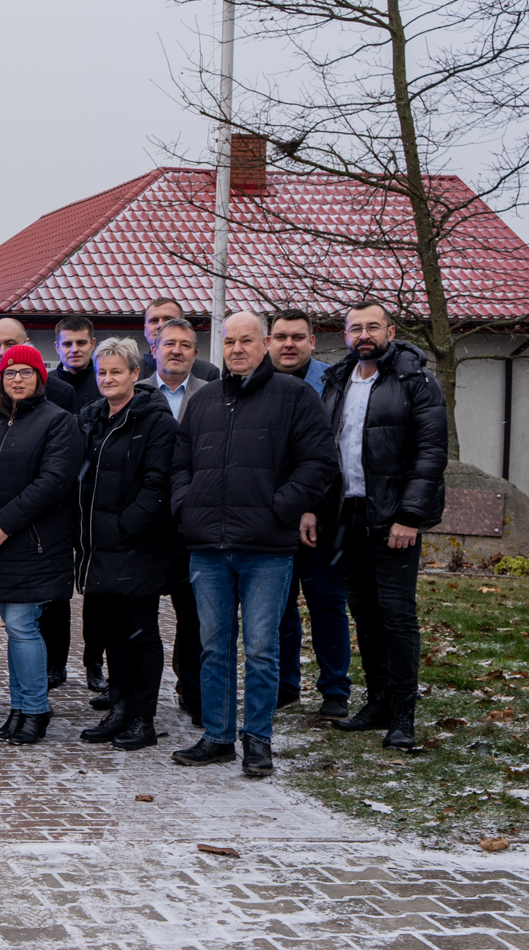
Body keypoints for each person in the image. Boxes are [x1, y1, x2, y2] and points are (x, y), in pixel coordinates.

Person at [170, 311, 335, 778]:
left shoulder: (294, 396)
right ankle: (218, 736)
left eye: (247, 341)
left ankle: (258, 740)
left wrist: (278, 510)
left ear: (264, 345)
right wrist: (185, 507)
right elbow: (180, 464)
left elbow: (320, 464)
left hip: (266, 548)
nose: (237, 349)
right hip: (207, 546)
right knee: (213, 647)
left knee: (261, 649)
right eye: (229, 342)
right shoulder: (203, 401)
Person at [318, 301, 447, 749]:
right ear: (346, 335)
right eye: (355, 328)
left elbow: (430, 453)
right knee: (365, 614)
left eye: (372, 327)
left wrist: (410, 516)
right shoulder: (337, 380)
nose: (364, 335)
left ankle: (403, 716)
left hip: (394, 518)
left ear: (390, 332)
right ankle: (377, 702)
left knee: (397, 616)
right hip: (348, 516)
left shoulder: (415, 380)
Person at [0, 344, 80, 744]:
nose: (18, 379)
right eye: (10, 373)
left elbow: (53, 482)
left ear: (41, 377)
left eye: (27, 372)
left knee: (22, 626)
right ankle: (18, 708)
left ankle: (35, 710)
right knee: (12, 626)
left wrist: (4, 524)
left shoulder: (58, 421)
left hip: (32, 543)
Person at [74, 338, 179, 751]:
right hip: (98, 547)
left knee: (141, 633)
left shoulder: (156, 421)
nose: (108, 379)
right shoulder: (92, 418)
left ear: (136, 373)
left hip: (137, 546)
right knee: (112, 632)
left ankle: (142, 717)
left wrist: (125, 527)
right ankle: (118, 708)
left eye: (116, 371)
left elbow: (159, 484)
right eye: (102, 372)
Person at [269, 308, 352, 720]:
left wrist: (312, 508)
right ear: (268, 342)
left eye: (297, 337)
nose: (289, 344)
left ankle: (335, 688)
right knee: (277, 606)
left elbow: (333, 456)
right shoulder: (254, 383)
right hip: (271, 515)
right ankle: (285, 685)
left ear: (312, 341)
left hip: (325, 515)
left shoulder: (335, 385)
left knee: (326, 601)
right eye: (281, 336)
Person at [134, 317, 208, 726]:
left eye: (184, 344)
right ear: (154, 351)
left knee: (194, 616)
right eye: (168, 344)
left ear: (195, 353)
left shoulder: (211, 395)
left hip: (191, 523)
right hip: (144, 523)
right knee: (135, 617)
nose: (176, 350)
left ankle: (193, 693)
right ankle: (130, 694)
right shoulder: (134, 392)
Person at [51, 315, 108, 693]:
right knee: (56, 587)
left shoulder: (104, 381)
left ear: (92, 344)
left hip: (95, 498)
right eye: (68, 344)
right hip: (57, 501)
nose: (74, 350)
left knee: (96, 588)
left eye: (81, 343)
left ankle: (94, 662)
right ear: (57, 347)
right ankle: (55, 663)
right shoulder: (47, 386)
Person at [138, 298, 220, 382]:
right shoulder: (132, 372)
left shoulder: (207, 374)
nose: (160, 325)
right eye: (154, 321)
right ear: (145, 330)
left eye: (168, 320)